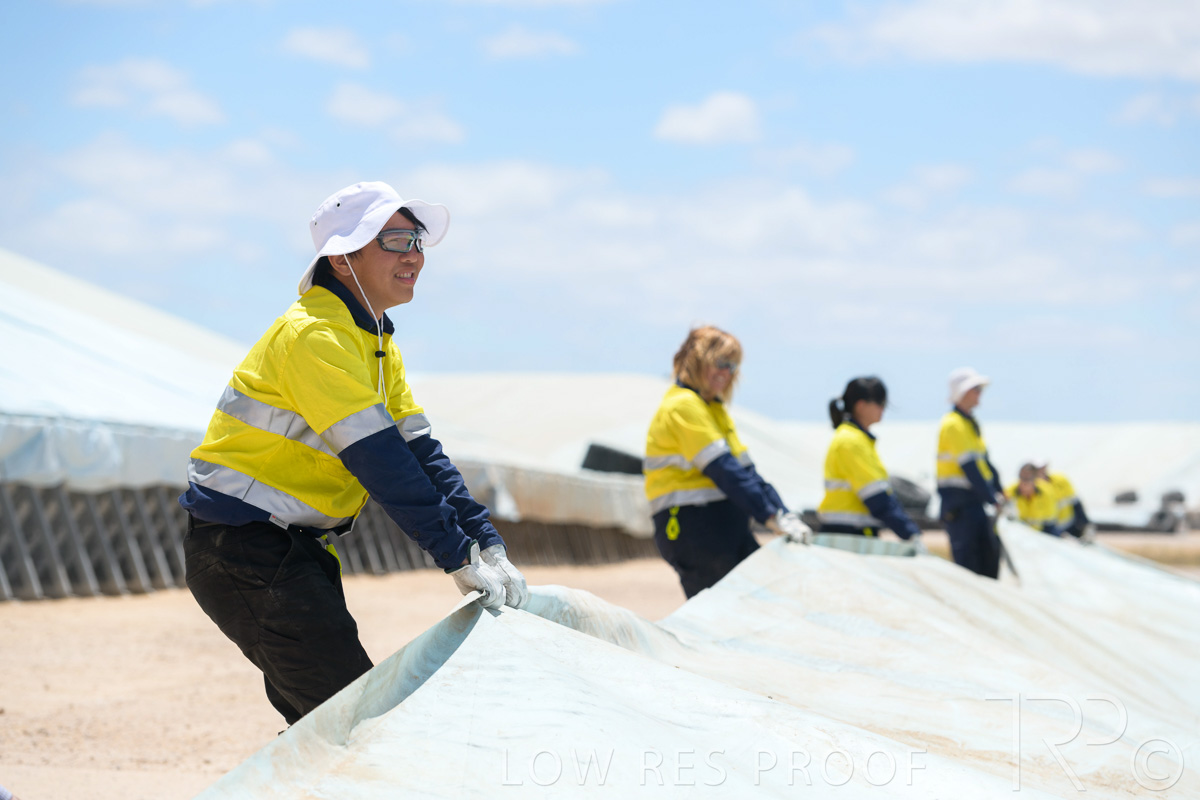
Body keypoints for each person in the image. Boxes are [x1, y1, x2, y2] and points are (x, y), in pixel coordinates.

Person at [179, 181, 528, 726]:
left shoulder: (377, 344)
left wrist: (485, 540)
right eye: (394, 241)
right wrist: (456, 555)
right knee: (358, 720)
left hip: (288, 550)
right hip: (244, 548)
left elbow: (422, 454)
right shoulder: (314, 336)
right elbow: (383, 463)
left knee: (328, 727)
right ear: (342, 260)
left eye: (417, 240)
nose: (414, 255)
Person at [643, 326, 811, 598]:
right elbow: (724, 470)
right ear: (699, 360)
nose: (727, 372)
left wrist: (783, 512)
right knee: (729, 608)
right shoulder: (683, 406)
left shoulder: (714, 409)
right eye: (721, 363)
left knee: (764, 600)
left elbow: (747, 472)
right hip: (693, 526)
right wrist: (770, 515)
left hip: (723, 524)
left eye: (733, 366)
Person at [818, 377, 925, 549]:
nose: (883, 409)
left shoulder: (855, 438)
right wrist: (910, 533)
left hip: (847, 533)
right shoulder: (852, 441)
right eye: (880, 403)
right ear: (861, 405)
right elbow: (876, 497)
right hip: (848, 535)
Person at [936, 367, 1006, 578]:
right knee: (969, 569)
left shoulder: (969, 424)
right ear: (963, 392)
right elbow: (970, 468)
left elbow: (984, 464)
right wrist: (992, 498)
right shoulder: (954, 424)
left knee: (988, 563)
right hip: (960, 505)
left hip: (974, 504)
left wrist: (998, 490)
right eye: (976, 389)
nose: (979, 394)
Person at [1032, 458, 1095, 541]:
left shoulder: (1060, 480)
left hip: (1072, 525)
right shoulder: (1032, 489)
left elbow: (1075, 502)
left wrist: (1086, 524)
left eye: (1043, 467)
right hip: (1053, 531)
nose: (1041, 471)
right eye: (1037, 469)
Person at [1006, 463, 1062, 536]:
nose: (1022, 486)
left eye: (1026, 482)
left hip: (1044, 530)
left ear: (1034, 481)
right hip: (1023, 531)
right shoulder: (1013, 490)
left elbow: (1050, 521)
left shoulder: (1046, 493)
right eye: (1021, 480)